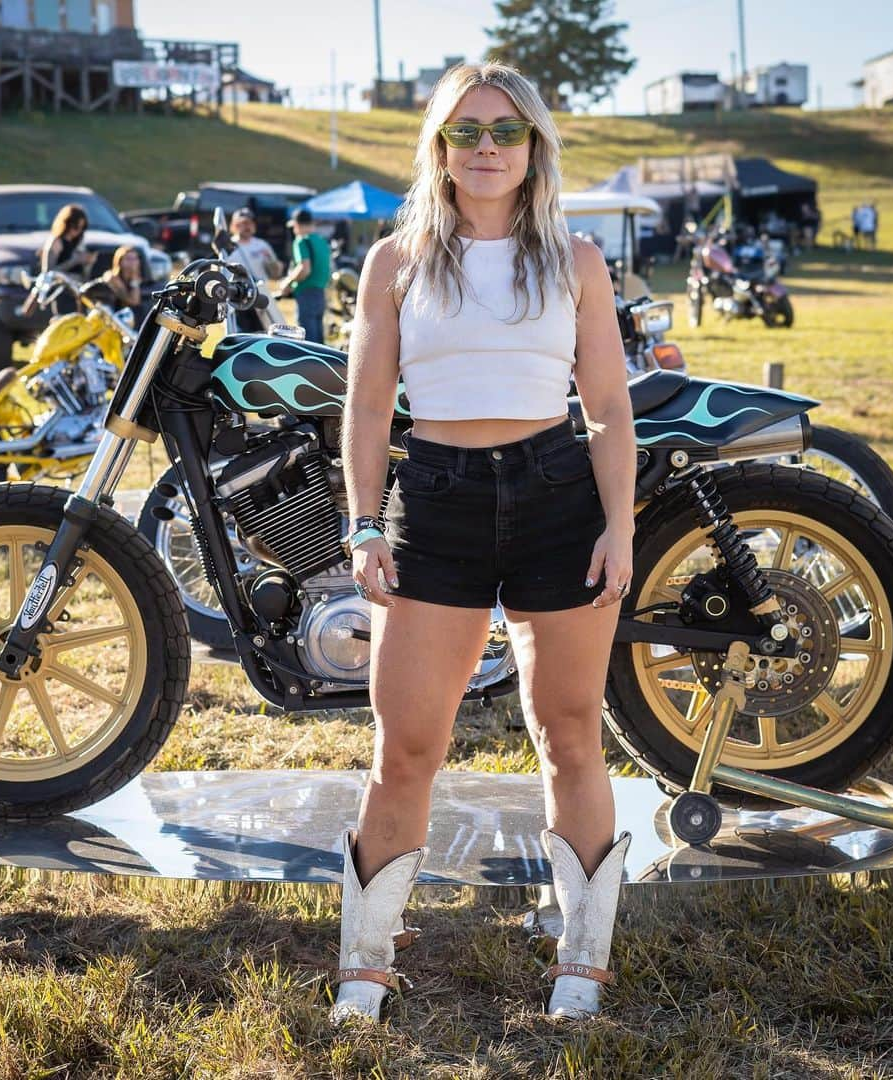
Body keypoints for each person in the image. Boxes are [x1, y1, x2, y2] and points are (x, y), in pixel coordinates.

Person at [332, 62, 636, 1026]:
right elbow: (369, 405)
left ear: (535, 145)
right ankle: (366, 965)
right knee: (407, 744)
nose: (488, 148)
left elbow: (611, 412)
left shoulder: (578, 261)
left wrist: (621, 528)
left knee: (570, 733)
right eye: (465, 132)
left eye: (506, 131)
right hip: (437, 498)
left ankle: (582, 962)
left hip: (557, 498)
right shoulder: (397, 261)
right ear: (439, 147)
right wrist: (364, 520)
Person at [277, 208, 331, 343]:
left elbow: (304, 269)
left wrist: (288, 282)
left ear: (297, 225)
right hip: (320, 293)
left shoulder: (301, 240)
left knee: (308, 341)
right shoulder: (321, 241)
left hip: (306, 293)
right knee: (319, 339)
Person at [40, 203, 97, 315]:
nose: (78, 232)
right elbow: (48, 273)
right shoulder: (56, 242)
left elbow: (84, 274)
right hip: (63, 293)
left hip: (78, 292)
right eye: (76, 227)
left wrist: (88, 262)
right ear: (66, 224)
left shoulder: (77, 243)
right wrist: (74, 261)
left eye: (82, 228)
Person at [97, 245, 143, 313]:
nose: (132, 262)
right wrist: (134, 280)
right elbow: (133, 301)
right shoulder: (112, 277)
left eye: (135, 259)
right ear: (120, 261)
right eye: (128, 259)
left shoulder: (139, 278)